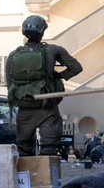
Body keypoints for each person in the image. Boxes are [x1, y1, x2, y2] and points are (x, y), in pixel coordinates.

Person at [6, 15, 83, 156]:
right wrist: (58, 76)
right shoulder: (53, 50)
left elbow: (10, 84)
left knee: (24, 151)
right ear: (42, 32)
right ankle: (47, 177)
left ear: (24, 32)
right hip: (47, 108)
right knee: (49, 150)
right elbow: (76, 68)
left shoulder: (13, 55)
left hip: (25, 109)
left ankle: (27, 177)